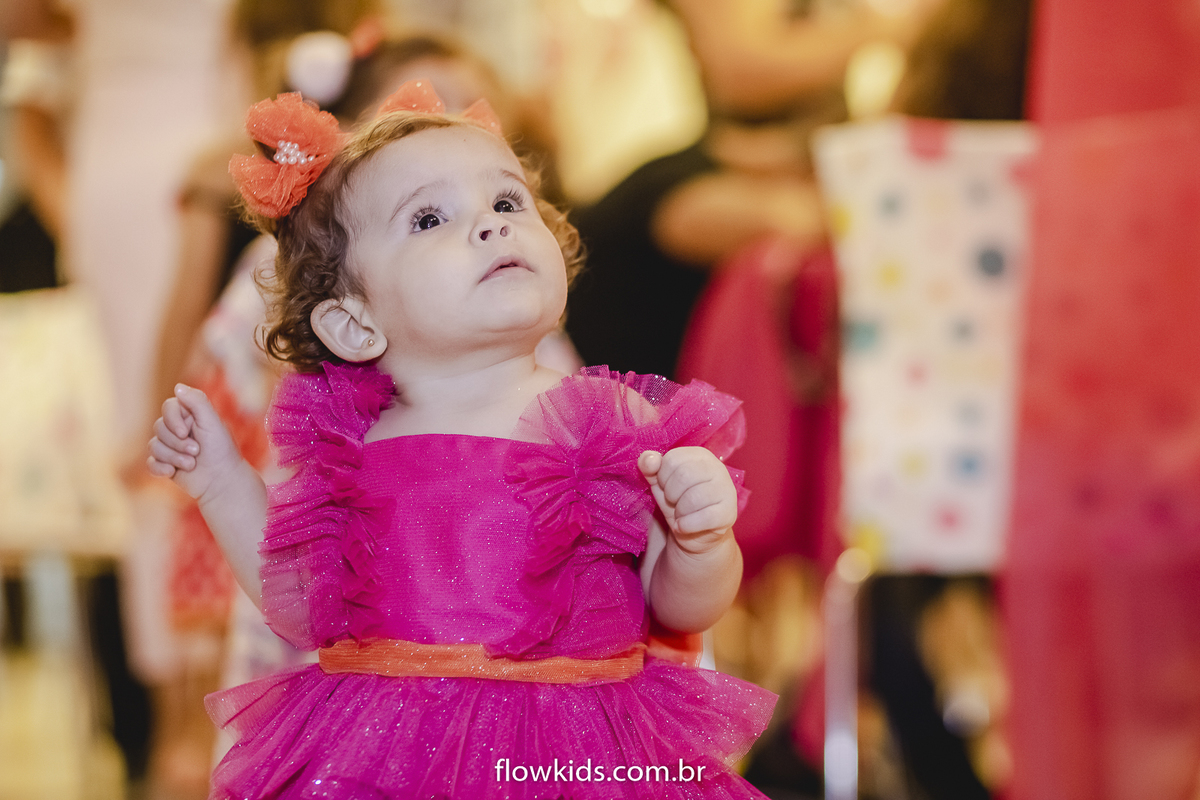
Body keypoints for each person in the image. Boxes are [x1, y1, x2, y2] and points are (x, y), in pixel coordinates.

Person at [146, 80, 775, 798]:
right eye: (429, 218)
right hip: (386, 755)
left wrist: (699, 543)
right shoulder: (349, 446)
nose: (491, 226)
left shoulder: (613, 420)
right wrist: (222, 483)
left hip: (580, 752)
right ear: (354, 323)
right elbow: (300, 608)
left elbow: (680, 609)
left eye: (507, 202)